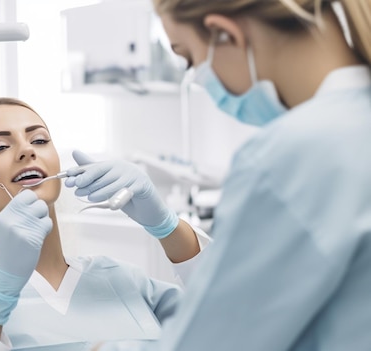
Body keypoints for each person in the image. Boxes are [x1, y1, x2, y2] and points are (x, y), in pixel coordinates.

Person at [71, 0, 371, 350]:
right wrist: (166, 226)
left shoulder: (290, 155)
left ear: (224, 34)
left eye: (188, 58)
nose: (195, 76)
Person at [0, 97, 211, 351]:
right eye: (0, 146)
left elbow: (236, 316)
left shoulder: (125, 280)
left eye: (40, 139)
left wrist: (166, 226)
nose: (27, 150)